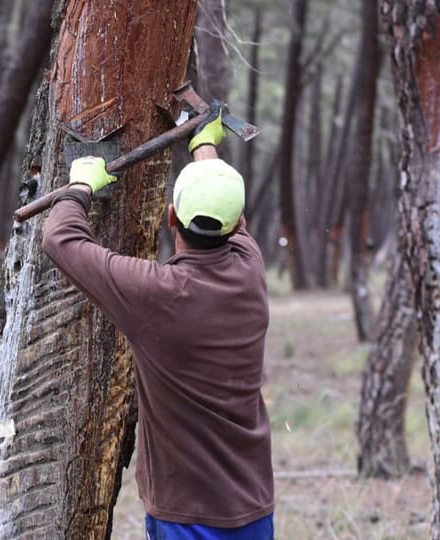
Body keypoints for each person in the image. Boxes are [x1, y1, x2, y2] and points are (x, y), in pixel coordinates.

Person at [41, 104, 275, 540]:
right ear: (238, 224)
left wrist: (78, 189)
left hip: (186, 516)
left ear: (171, 217)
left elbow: (61, 239)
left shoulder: (157, 295)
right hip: (253, 507)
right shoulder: (250, 268)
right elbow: (222, 203)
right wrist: (203, 143)